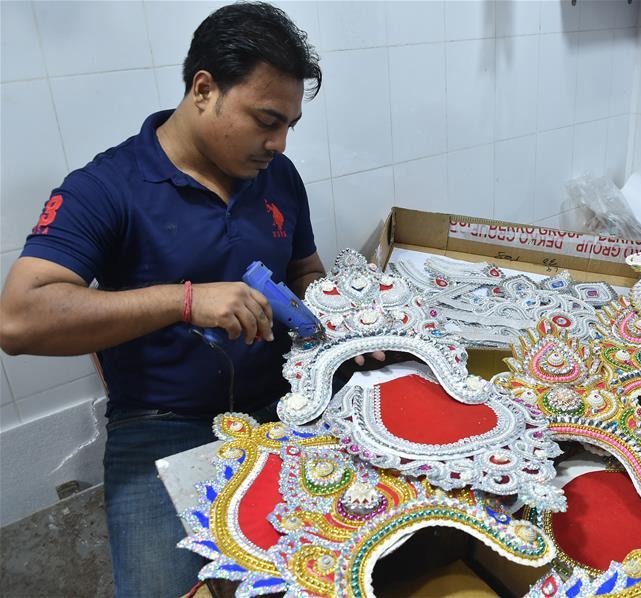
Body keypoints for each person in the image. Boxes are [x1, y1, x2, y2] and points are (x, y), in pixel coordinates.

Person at [0, 3, 386, 596]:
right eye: (266, 120)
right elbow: (18, 320)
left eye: (289, 125)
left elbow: (306, 271)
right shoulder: (106, 188)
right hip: (163, 423)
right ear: (204, 90)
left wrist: (342, 312)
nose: (279, 142)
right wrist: (183, 301)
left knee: (360, 561)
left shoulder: (277, 177)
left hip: (287, 403)